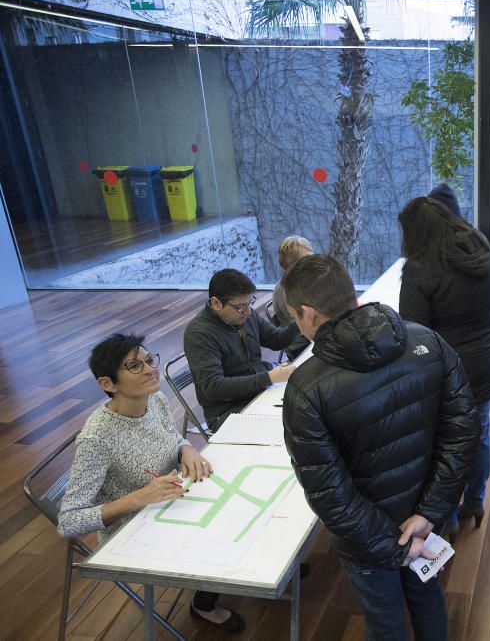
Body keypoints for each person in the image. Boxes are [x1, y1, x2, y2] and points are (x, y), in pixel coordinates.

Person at [280, 254, 478, 641]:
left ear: (308, 313)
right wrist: (428, 513)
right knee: (427, 596)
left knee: (384, 620)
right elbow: (463, 430)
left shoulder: (306, 387)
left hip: (367, 541)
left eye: (293, 317)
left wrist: (391, 547)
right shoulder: (426, 339)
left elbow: (329, 494)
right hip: (426, 516)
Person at [57, 333, 244, 633]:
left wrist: (187, 448)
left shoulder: (154, 398)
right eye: (134, 366)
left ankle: (257, 575)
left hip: (171, 502)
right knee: (225, 529)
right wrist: (139, 497)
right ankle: (205, 603)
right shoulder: (96, 439)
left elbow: (172, 437)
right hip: (133, 529)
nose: (149, 370)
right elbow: (68, 522)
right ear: (107, 384)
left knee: (239, 505)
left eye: (148, 360)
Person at [398, 197, 490, 535]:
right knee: (479, 434)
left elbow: (413, 333)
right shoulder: (485, 256)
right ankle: (475, 500)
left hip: (446, 372)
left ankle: (445, 520)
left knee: (444, 447)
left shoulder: (420, 270)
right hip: (488, 362)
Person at [183, 268, 299, 430]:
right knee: (291, 425)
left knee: (307, 406)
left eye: (250, 303)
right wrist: (268, 377)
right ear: (216, 303)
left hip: (259, 393)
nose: (248, 311)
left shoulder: (245, 315)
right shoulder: (199, 334)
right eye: (240, 307)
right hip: (227, 411)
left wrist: (302, 317)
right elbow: (213, 387)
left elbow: (277, 340)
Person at [271, 235, 314, 359]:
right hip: (302, 347)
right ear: (294, 264)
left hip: (310, 338)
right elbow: (308, 326)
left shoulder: (302, 280)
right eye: (308, 258)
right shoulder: (285, 290)